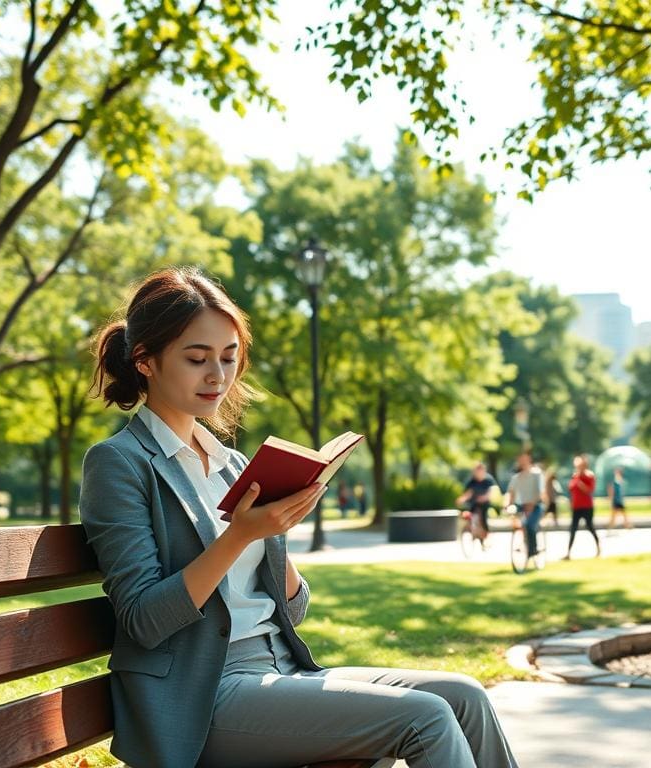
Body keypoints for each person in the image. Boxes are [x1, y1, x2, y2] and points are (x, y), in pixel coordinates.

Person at [80, 267, 519, 768]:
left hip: (281, 670)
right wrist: (241, 536)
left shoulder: (231, 466)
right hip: (201, 698)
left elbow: (294, 609)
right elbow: (142, 620)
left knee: (465, 697)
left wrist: (276, 535)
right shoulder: (119, 463)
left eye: (229, 358)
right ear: (145, 361)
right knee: (425, 717)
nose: (217, 376)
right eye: (197, 358)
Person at [504, 449, 546, 558]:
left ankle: (533, 550)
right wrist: (507, 505)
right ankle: (523, 542)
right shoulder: (516, 478)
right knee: (519, 523)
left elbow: (541, 493)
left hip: (536, 505)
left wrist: (532, 503)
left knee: (530, 525)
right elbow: (510, 493)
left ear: (529, 458)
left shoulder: (537, 474)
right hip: (522, 506)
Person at [564, 454, 600, 559]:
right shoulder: (574, 476)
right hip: (576, 507)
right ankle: (568, 553)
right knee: (573, 529)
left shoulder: (589, 476)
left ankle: (598, 548)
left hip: (587, 506)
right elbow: (571, 490)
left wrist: (580, 484)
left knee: (590, 526)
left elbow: (590, 490)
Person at [456, 462, 499, 541]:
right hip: (474, 503)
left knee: (483, 518)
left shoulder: (488, 480)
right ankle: (472, 530)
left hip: (484, 503)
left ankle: (485, 535)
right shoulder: (472, 481)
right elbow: (468, 493)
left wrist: (484, 498)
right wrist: (462, 499)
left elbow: (490, 492)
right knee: (470, 515)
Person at [606, 466, 633, 531]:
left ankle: (627, 526)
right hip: (616, 500)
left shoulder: (620, 480)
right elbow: (610, 489)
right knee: (615, 516)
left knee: (622, 515)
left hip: (619, 500)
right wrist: (611, 498)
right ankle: (626, 526)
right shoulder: (616, 481)